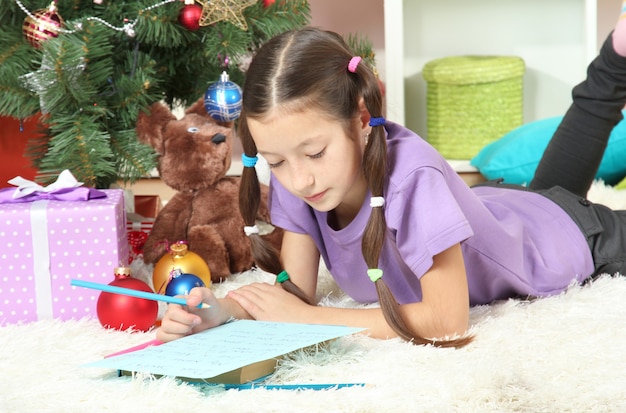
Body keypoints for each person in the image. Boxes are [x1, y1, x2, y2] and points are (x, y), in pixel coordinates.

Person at [156, 14, 626, 347]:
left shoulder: (413, 179)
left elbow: (446, 320)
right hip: (506, 210)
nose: (298, 178)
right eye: (275, 162)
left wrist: (310, 321)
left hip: (573, 239)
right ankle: (616, 60)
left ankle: (611, 66)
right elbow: (294, 293)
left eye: (316, 152)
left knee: (562, 205)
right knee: (548, 194)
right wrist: (220, 314)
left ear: (361, 118)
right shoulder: (302, 172)